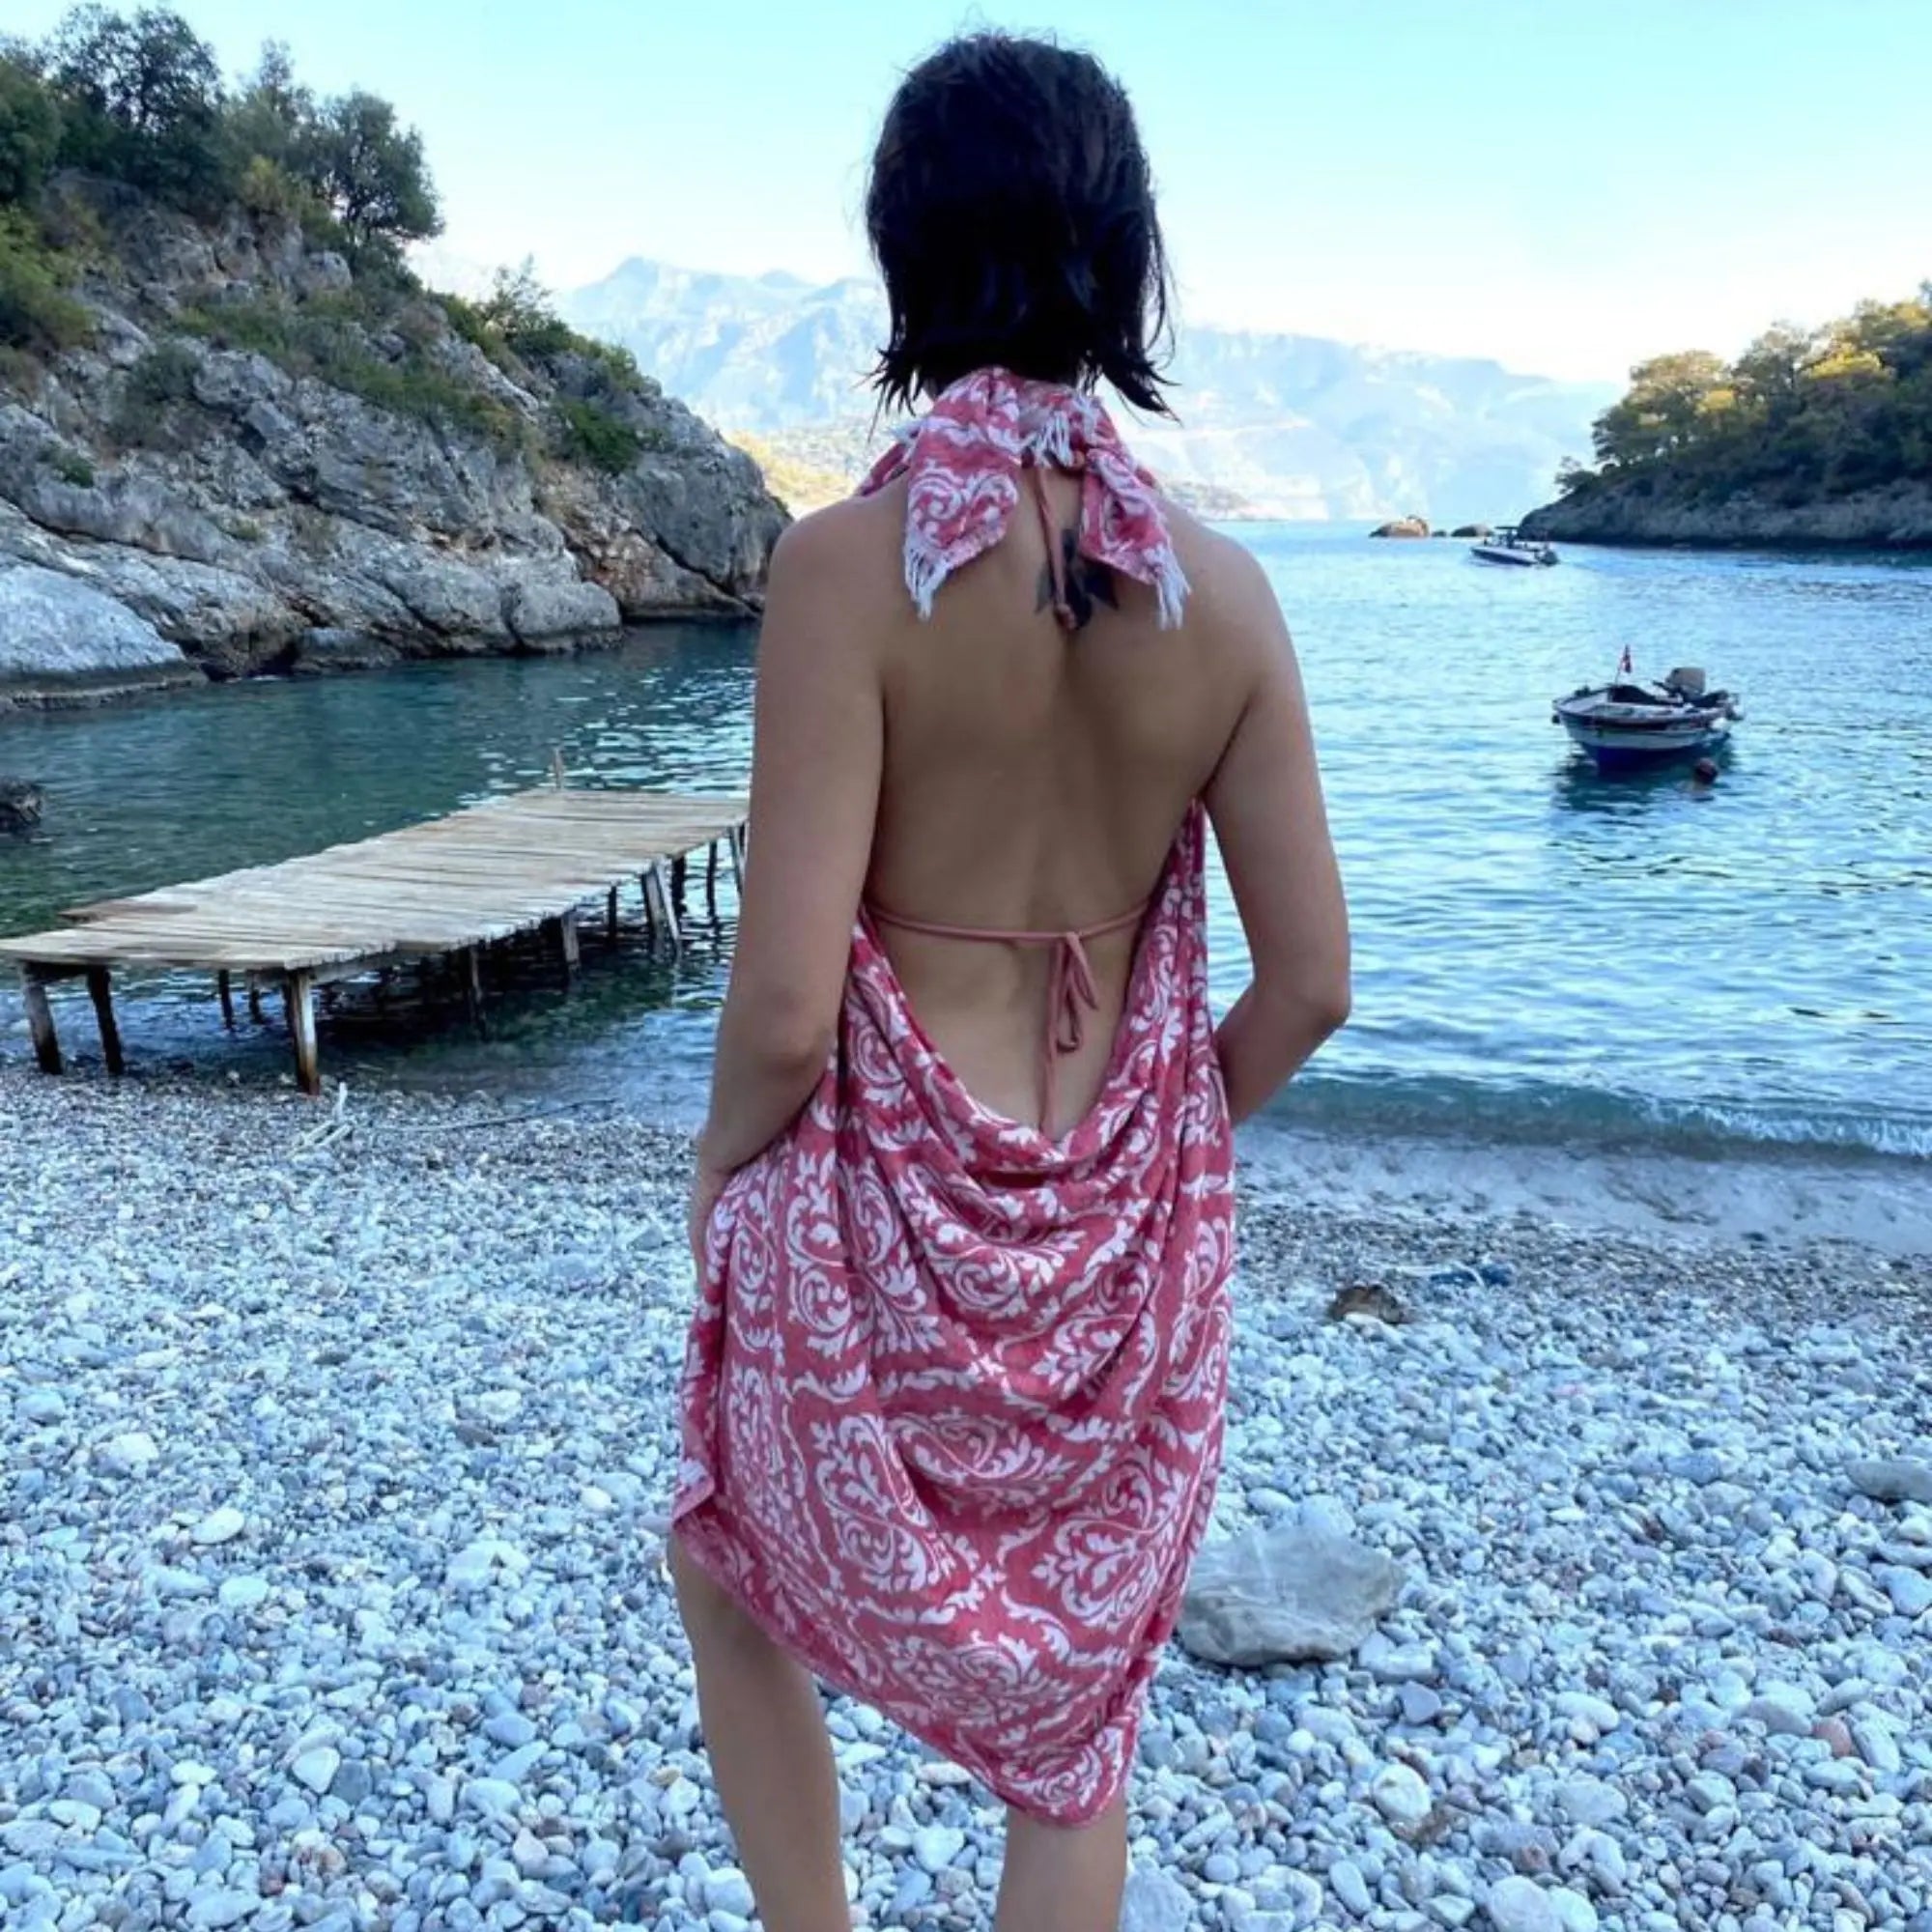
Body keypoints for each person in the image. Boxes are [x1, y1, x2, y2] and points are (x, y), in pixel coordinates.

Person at [669, 32, 1350, 1932]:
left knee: (726, 1558)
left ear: (904, 253)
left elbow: (792, 1004)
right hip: (1124, 1253)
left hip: (871, 1229)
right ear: (1123, 256)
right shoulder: (1219, 593)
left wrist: (721, 1172)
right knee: (1077, 1730)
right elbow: (1310, 982)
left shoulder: (845, 569)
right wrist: (1156, 1143)